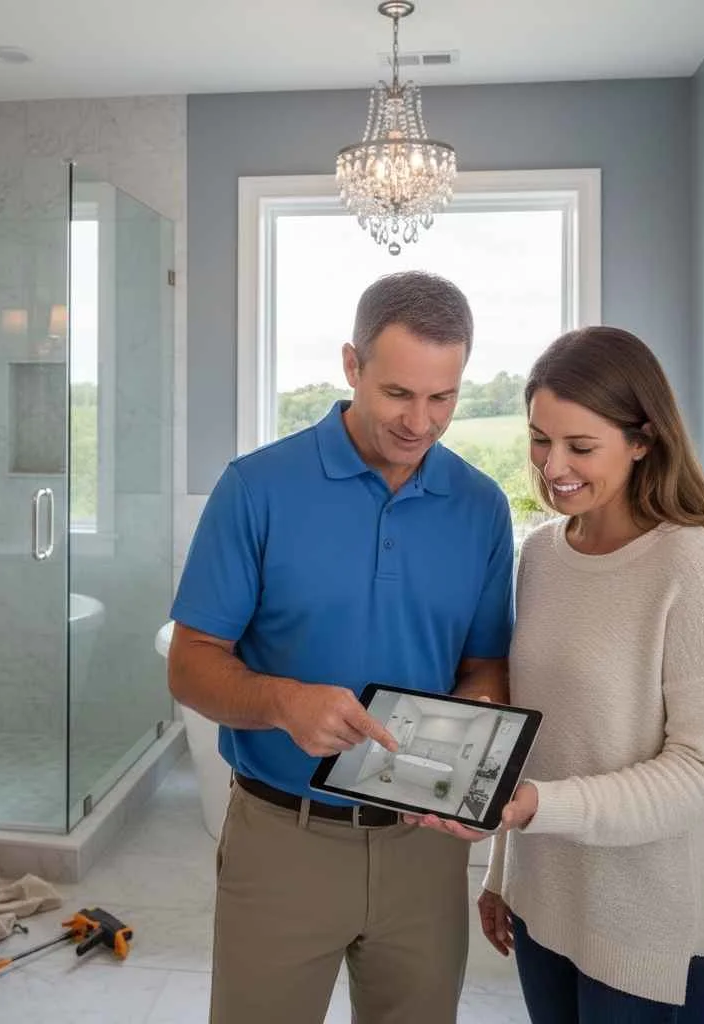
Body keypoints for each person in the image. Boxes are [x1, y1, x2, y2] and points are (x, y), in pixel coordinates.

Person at [167, 271, 515, 1024]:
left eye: (443, 398)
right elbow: (189, 663)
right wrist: (282, 701)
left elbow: (485, 665)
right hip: (283, 840)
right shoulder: (256, 487)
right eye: (397, 393)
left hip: (424, 849)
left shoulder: (482, 507)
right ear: (352, 365)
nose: (420, 422)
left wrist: (472, 722)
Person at [414, 326, 704, 1023]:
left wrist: (538, 806)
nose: (552, 465)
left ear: (642, 439)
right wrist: (504, 873)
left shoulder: (690, 567)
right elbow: (540, 733)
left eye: (580, 446)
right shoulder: (541, 554)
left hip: (648, 926)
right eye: (541, 439)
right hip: (547, 900)